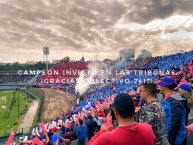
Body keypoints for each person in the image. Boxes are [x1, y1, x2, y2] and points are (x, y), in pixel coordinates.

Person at [88, 93, 156, 145]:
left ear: (115, 112)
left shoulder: (106, 138)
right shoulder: (148, 129)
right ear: (134, 109)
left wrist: (102, 130)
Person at [158, 76, 186, 145]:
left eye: (160, 85)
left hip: (174, 139)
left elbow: (175, 122)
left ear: (164, 87)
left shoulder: (174, 101)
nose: (158, 87)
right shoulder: (165, 98)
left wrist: (170, 140)